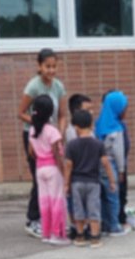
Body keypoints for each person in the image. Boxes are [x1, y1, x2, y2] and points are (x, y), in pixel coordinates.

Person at [17, 48, 67, 238]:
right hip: (35, 135)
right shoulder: (33, 87)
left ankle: (52, 219)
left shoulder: (58, 86)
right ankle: (33, 219)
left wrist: (59, 133)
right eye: (47, 66)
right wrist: (40, 124)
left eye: (54, 66)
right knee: (40, 177)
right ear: (39, 66)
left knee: (55, 177)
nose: (51, 70)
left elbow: (62, 115)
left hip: (52, 136)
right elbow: (21, 112)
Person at [64, 108, 115, 247]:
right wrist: (112, 181)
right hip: (93, 182)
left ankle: (80, 237)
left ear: (76, 127)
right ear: (91, 125)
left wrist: (66, 184)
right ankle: (95, 237)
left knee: (78, 209)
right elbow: (106, 163)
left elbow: (68, 166)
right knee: (94, 209)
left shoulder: (71, 145)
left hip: (76, 183)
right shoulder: (98, 144)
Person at [27, 95, 68, 244]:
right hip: (53, 169)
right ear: (51, 112)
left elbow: (31, 152)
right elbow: (58, 155)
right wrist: (64, 173)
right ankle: (57, 235)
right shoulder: (53, 131)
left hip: (40, 169)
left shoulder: (32, 130)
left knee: (44, 202)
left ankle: (47, 233)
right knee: (57, 201)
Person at [95, 90, 131, 236]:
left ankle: (104, 224)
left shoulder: (98, 125)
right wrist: (121, 171)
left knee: (102, 197)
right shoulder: (117, 129)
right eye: (124, 108)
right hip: (112, 168)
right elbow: (119, 153)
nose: (125, 111)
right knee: (113, 197)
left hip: (99, 167)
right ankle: (114, 226)